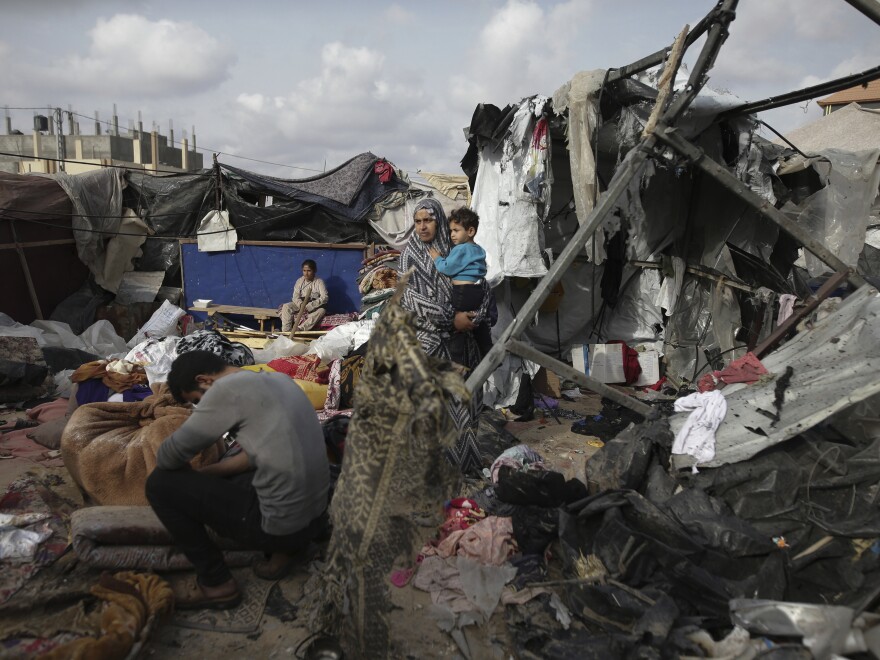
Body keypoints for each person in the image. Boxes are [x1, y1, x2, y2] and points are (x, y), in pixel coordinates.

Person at [145, 351, 329, 610]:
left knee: (159, 484)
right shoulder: (279, 380)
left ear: (204, 380)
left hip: (281, 531)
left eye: (198, 400)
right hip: (315, 521)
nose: (202, 406)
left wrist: (185, 476)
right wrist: (205, 476)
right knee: (237, 474)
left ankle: (216, 583)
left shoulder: (226, 391)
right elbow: (257, 454)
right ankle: (286, 552)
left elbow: (169, 457)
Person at [399, 198, 490, 474]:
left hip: (464, 342)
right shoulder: (409, 256)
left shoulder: (457, 247)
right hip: (430, 342)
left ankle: (463, 462)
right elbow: (409, 299)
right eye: (418, 221)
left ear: (438, 219)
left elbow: (482, 286)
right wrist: (451, 319)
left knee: (467, 402)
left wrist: (474, 316)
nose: (423, 226)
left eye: (428, 220)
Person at [428, 206, 492, 360]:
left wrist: (437, 257)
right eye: (450, 231)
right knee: (478, 325)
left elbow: (447, 268)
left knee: (457, 323)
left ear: (470, 232)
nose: (452, 235)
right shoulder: (479, 250)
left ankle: (455, 354)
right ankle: (489, 352)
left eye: (456, 230)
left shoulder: (460, 249)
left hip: (463, 292)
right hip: (477, 292)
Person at [281, 259, 328, 332]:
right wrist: (301, 304)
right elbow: (295, 296)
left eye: (309, 271)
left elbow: (325, 297)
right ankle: (286, 330)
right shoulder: (300, 281)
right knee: (286, 306)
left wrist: (310, 306)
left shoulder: (319, 282)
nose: (306, 273)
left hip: (313, 307)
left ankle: (300, 328)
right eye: (304, 271)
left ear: (314, 271)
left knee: (322, 311)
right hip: (301, 304)